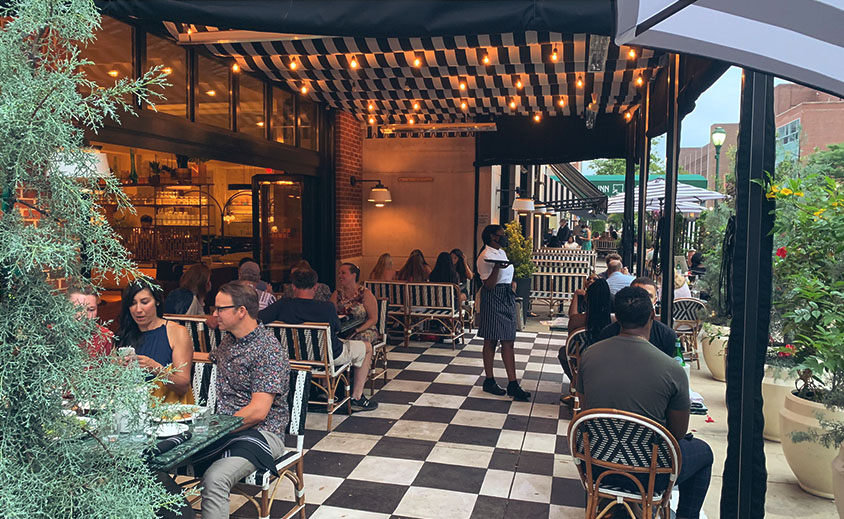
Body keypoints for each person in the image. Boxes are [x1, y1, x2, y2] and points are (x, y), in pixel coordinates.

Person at [577, 286, 713, 519]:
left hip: (596, 464)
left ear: (616, 317)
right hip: (650, 473)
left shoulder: (589, 355)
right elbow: (677, 433)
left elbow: (586, 407)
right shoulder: (671, 369)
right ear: (652, 315)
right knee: (703, 453)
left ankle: (615, 505)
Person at [199, 281, 290, 519]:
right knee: (158, 461)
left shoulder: (267, 349)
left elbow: (258, 411)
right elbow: (209, 357)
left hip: (262, 433)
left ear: (241, 311)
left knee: (215, 479)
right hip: (226, 429)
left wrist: (214, 429)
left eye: (220, 309)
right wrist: (166, 362)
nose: (214, 314)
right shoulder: (229, 341)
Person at [259, 268, 377, 411]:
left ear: (293, 286)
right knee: (367, 347)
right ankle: (357, 397)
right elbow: (337, 329)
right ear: (315, 287)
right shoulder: (326, 308)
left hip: (292, 358)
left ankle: (322, 391)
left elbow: (259, 319)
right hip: (328, 357)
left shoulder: (282, 305)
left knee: (324, 345)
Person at [476, 225, 531, 401]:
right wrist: (497, 268)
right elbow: (489, 284)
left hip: (506, 295)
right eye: (502, 235)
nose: (505, 237)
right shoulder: (485, 256)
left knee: (509, 339)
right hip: (493, 296)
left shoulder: (501, 252)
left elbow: (508, 274)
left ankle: (512, 383)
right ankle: (489, 379)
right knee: (491, 340)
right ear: (492, 237)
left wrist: (512, 284)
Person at [116, 281, 193, 404]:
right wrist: (117, 371)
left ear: (157, 301)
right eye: (132, 304)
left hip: (168, 413)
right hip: (131, 410)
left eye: (145, 302)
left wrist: (156, 369)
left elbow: (183, 386)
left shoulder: (177, 332)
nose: (138, 309)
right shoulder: (124, 334)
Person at [597, 277, 678, 358]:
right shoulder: (607, 334)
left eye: (648, 296)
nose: (641, 301)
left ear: (655, 300)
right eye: (636, 296)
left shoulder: (667, 336)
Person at [331, 263, 380, 347]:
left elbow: (373, 319)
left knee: (358, 341)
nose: (340, 276)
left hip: (364, 329)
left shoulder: (365, 293)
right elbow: (331, 313)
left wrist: (357, 330)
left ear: (353, 275)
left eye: (343, 273)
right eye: (339, 273)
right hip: (343, 329)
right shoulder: (337, 294)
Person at [67, 285, 113, 358]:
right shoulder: (53, 333)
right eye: (78, 309)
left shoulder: (104, 336)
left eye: (91, 310)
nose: (85, 316)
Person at [566, 278, 612, 346]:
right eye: (588, 279)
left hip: (580, 354)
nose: (591, 281)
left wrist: (576, 295)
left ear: (587, 297)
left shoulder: (577, 319)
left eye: (595, 279)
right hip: (605, 353)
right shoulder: (614, 320)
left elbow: (570, 337)